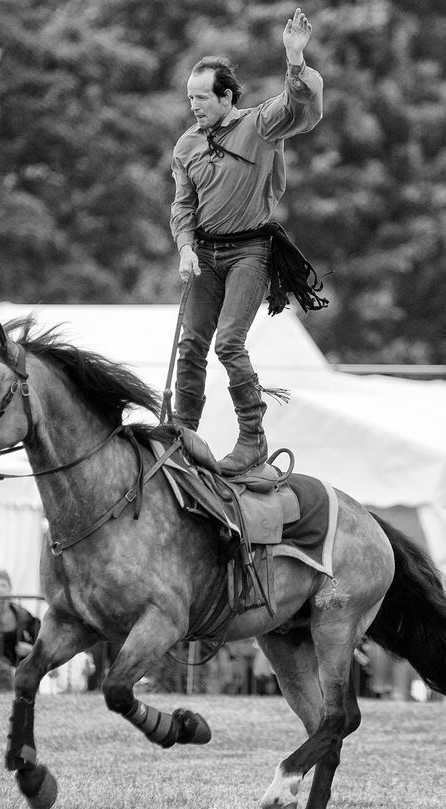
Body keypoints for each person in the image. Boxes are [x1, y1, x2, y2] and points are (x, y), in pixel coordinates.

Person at [169, 7, 325, 474]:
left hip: (250, 252)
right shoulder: (186, 145)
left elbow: (300, 107)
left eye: (202, 97)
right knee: (191, 344)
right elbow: (183, 206)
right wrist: (183, 247)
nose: (194, 105)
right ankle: (182, 435)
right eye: (190, 97)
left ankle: (253, 438)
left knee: (228, 344)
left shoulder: (259, 124)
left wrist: (295, 59)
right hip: (204, 254)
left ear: (226, 95)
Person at [0, 570, 40, 690]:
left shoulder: (23, 614)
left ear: (10, 589)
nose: (0, 589)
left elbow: (40, 637)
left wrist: (32, 650)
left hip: (20, 667)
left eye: (4, 586)